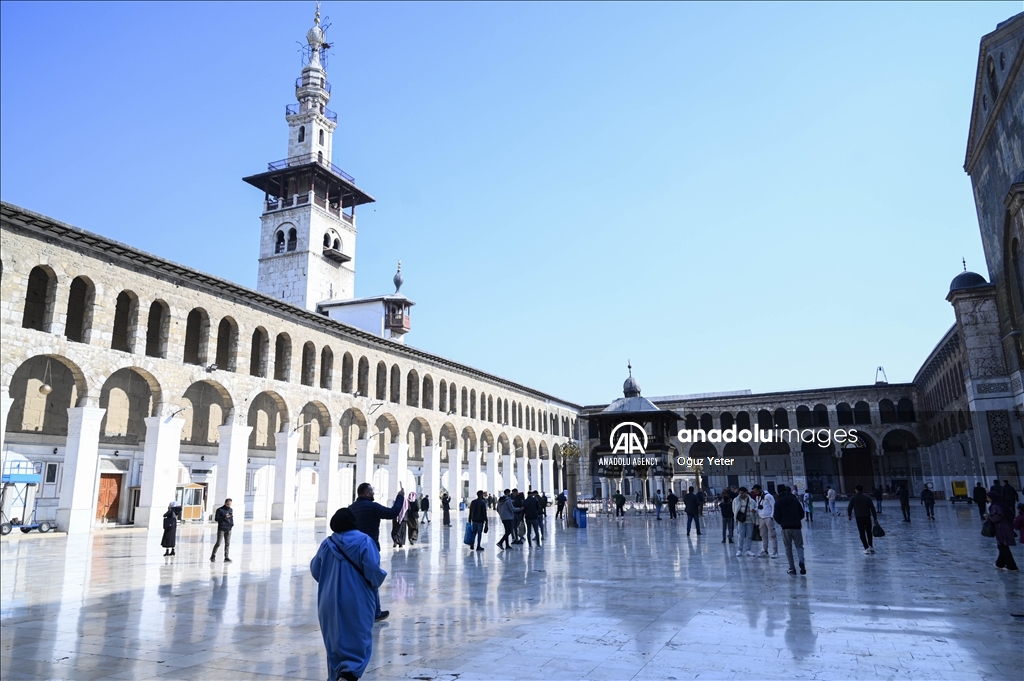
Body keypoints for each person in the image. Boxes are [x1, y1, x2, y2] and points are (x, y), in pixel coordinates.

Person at [311, 508, 387, 681]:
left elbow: (316, 570)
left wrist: (332, 580)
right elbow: (373, 572)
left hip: (328, 601)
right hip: (357, 599)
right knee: (358, 639)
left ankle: (338, 674)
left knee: (334, 640)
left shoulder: (327, 544)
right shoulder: (364, 541)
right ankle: (349, 674)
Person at [348, 482, 404, 622]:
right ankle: (375, 612)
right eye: (372, 491)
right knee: (372, 581)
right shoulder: (372, 507)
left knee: (356, 582)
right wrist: (400, 497)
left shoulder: (351, 508)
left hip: (354, 552)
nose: (373, 494)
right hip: (370, 549)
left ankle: (356, 611)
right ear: (367, 493)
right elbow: (392, 513)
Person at [774, 484, 806, 575]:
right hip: (796, 526)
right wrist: (796, 520)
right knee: (799, 546)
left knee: (788, 548)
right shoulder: (795, 500)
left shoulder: (778, 502)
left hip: (785, 527)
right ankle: (801, 562)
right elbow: (802, 514)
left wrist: (782, 522)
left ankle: (792, 568)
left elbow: (776, 516)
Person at [985, 490, 1019, 571]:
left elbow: (998, 516)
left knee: (1003, 546)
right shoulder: (1001, 504)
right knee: (1002, 546)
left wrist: (989, 519)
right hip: (1005, 527)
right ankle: (999, 564)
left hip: (1002, 528)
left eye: (988, 497)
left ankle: (1012, 566)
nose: (987, 499)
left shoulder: (995, 506)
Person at [848, 484, 878, 554]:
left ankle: (866, 548)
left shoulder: (853, 498)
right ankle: (871, 546)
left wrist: (849, 515)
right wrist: (875, 518)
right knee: (869, 532)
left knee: (862, 533)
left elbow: (849, 507)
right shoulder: (867, 498)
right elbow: (872, 508)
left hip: (859, 517)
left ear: (856, 490)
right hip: (867, 516)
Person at [751, 485, 778, 558]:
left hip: (768, 517)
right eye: (754, 491)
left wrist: (772, 516)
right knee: (763, 535)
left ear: (760, 489)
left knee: (772, 535)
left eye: (756, 491)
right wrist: (755, 510)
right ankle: (765, 550)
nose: (755, 493)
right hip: (761, 518)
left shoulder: (768, 496)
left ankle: (775, 551)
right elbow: (758, 506)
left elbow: (773, 506)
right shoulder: (757, 497)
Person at [732, 487, 756, 557]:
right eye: (740, 493)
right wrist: (737, 517)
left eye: (742, 493)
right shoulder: (736, 500)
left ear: (746, 492)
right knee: (740, 535)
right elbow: (734, 509)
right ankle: (740, 550)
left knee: (749, 535)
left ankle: (748, 549)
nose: (741, 494)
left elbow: (755, 509)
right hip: (741, 520)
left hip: (750, 520)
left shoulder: (752, 501)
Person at [210, 498, 234, 563]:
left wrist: (232, 524)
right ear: (225, 503)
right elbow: (216, 519)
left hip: (228, 529)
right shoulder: (220, 510)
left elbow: (231, 518)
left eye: (230, 504)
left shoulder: (230, 510)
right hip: (222, 528)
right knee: (218, 543)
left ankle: (226, 557)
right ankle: (213, 555)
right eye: (227, 504)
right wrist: (224, 517)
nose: (228, 505)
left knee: (227, 543)